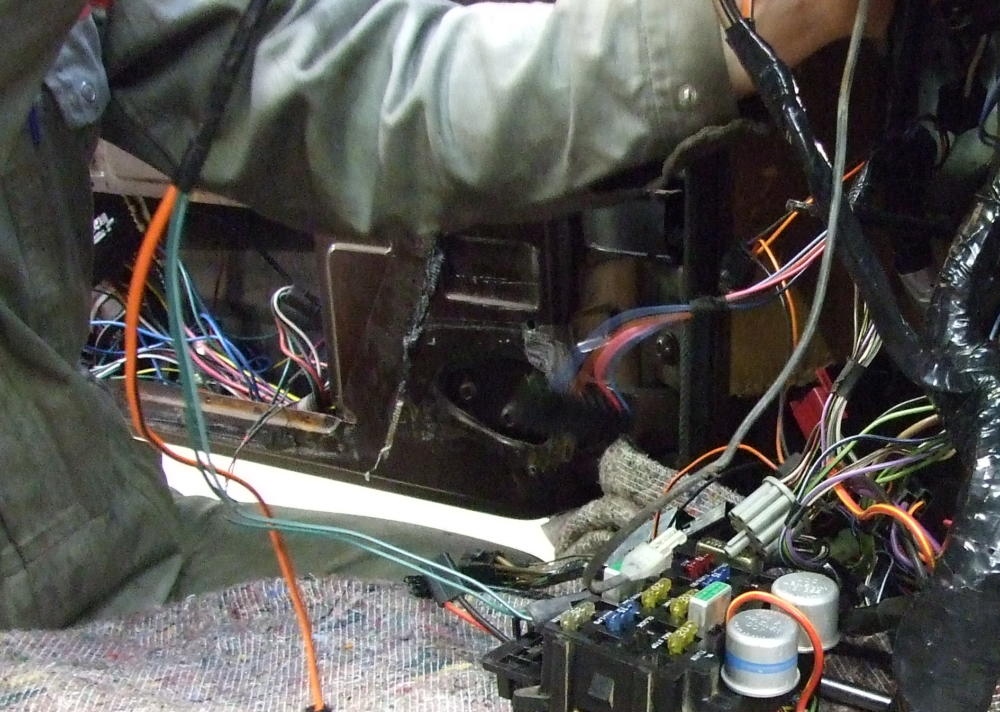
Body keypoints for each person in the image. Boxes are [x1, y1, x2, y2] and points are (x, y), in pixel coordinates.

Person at [0, 0, 876, 630]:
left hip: (106, 532)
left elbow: (350, 93)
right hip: (40, 622)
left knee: (523, 611)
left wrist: (725, 28)